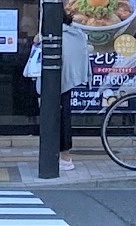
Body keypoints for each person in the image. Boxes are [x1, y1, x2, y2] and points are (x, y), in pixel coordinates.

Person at [33, 14, 92, 173]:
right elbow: (85, 52)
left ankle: (61, 157)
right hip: (69, 80)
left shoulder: (51, 35)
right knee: (64, 116)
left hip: (51, 82)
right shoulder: (77, 35)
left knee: (54, 118)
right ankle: (64, 156)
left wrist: (38, 39)